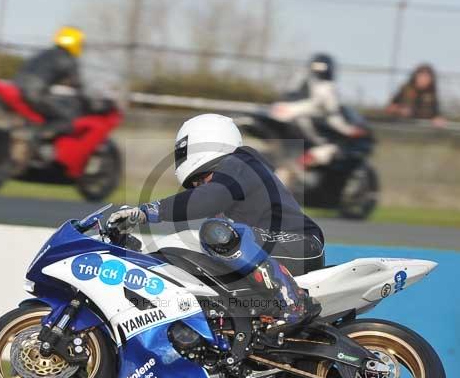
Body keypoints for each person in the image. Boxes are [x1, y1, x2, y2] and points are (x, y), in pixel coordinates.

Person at [107, 113, 325, 331]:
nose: (200, 186)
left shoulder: (241, 162)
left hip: (301, 244)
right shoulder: (236, 177)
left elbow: (208, 199)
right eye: (196, 183)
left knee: (215, 232)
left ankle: (294, 302)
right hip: (273, 249)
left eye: (203, 178)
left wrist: (146, 212)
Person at [271, 53, 371, 183]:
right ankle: (300, 165)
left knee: (291, 158)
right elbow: (334, 118)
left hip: (281, 117)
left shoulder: (300, 80)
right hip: (301, 124)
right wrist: (351, 131)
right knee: (331, 148)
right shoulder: (327, 88)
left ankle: (287, 176)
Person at [13, 26, 87, 155]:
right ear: (76, 42)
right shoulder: (67, 59)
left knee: (44, 112)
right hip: (34, 94)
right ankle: (40, 138)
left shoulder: (45, 53)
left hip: (16, 89)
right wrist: (87, 98)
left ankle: (32, 142)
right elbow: (77, 84)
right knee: (69, 119)